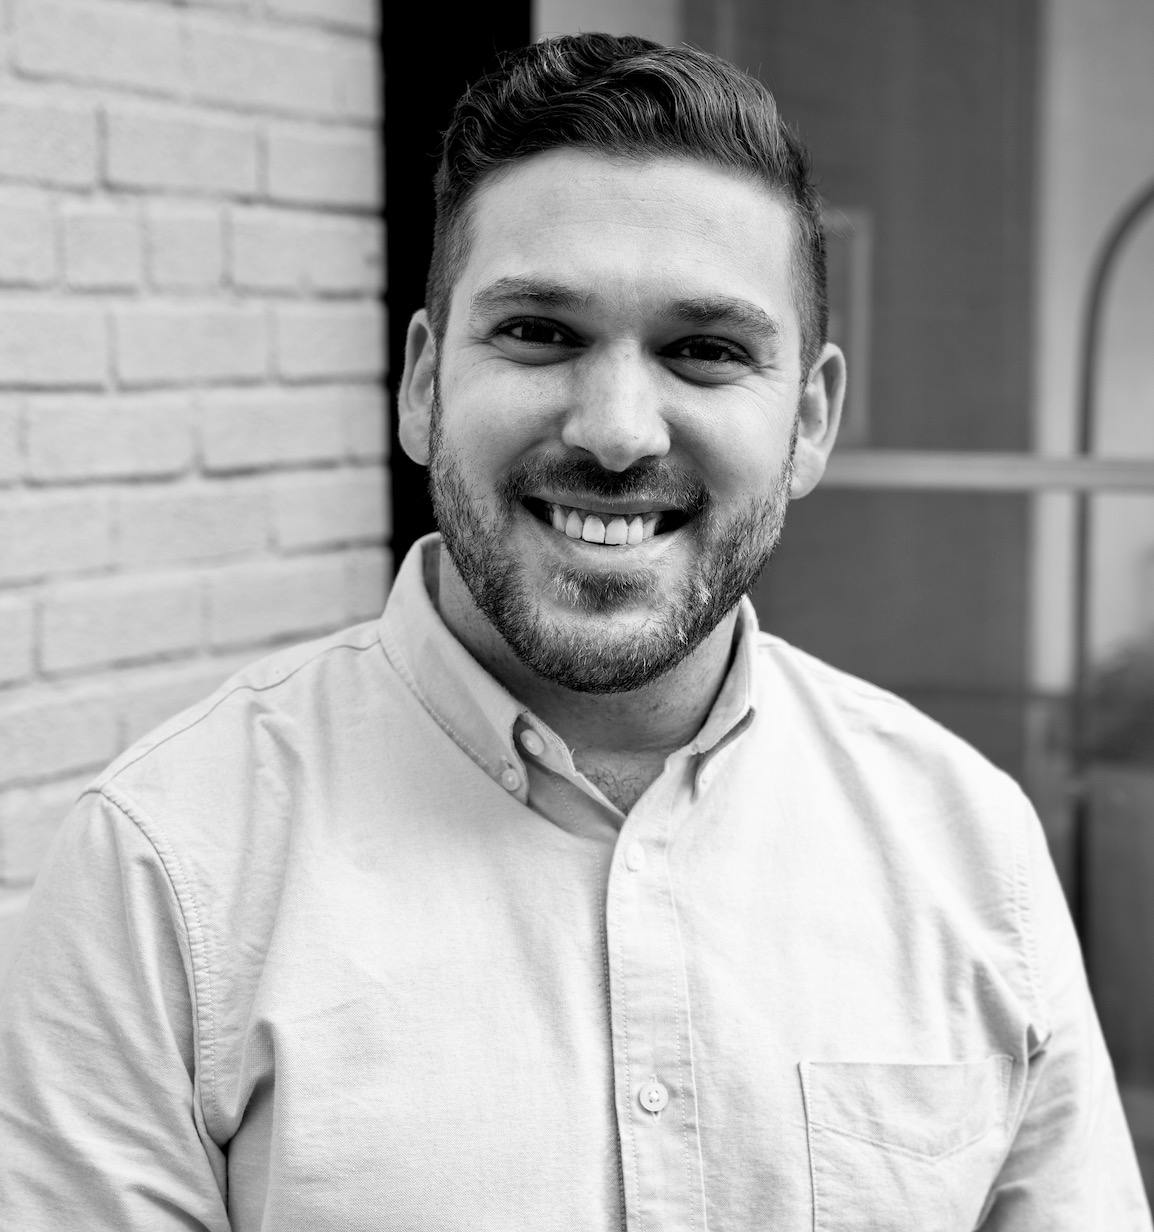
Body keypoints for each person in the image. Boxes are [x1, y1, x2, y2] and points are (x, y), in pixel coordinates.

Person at [0, 31, 1149, 1231]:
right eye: (540, 332)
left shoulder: (967, 844)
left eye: (703, 350)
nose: (614, 431)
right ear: (421, 383)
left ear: (806, 418)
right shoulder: (165, 873)